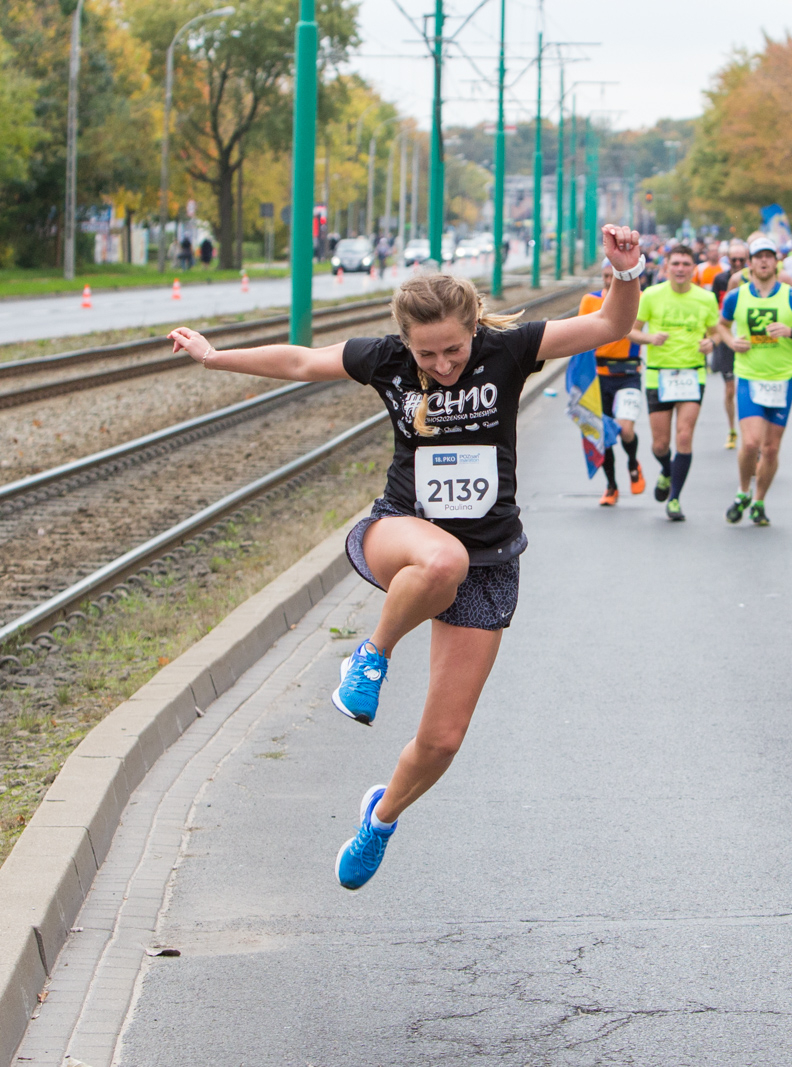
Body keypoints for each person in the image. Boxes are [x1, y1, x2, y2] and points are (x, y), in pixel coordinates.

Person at [165, 227, 646, 890]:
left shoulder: (509, 349)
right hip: (402, 528)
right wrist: (217, 358)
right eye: (430, 355)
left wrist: (628, 269)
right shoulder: (386, 359)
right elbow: (303, 362)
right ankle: (370, 657)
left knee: (444, 738)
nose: (444, 365)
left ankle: (380, 817)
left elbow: (612, 322)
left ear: (474, 327)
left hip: (491, 554)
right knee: (440, 559)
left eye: (453, 349)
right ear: (406, 343)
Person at [720, 236, 792, 526]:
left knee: (771, 449)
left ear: (776, 262)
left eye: (768, 256)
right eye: (758, 256)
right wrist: (731, 342)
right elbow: (721, 325)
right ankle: (742, 491)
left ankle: (759, 500)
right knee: (751, 444)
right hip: (750, 376)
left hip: (782, 379)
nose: (763, 261)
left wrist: (790, 332)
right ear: (750, 263)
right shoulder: (736, 296)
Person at [632, 244, 721, 521]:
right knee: (660, 445)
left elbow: (716, 333)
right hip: (659, 374)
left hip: (693, 374)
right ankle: (667, 472)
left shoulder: (706, 298)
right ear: (666, 267)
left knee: (684, 436)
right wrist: (649, 338)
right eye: (676, 264)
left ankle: (674, 499)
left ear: (693, 268)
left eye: (686, 264)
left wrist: (711, 343)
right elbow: (630, 332)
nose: (681, 269)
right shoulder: (651, 295)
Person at [583, 261, 646, 506]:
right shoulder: (590, 301)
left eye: (614, 276)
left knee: (625, 428)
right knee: (605, 434)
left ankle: (633, 462)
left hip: (629, 372)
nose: (609, 280)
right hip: (599, 375)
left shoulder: (638, 297)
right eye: (605, 276)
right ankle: (611, 486)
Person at [710, 242, 751, 449]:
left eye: (741, 260)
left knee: (748, 388)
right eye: (733, 260)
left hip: (750, 340)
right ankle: (732, 429)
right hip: (728, 339)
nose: (737, 263)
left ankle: (750, 431)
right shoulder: (721, 279)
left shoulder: (754, 279)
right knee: (729, 390)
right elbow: (719, 311)